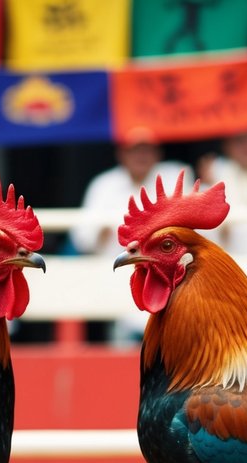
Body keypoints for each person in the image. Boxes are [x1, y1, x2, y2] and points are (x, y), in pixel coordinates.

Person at [71, 127, 190, 344]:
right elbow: (83, 240)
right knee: (124, 348)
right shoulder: (104, 185)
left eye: (147, 150)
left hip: (169, 281)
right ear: (122, 155)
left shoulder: (176, 176)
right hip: (118, 281)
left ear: (158, 154)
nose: (141, 156)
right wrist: (105, 234)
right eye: (135, 151)